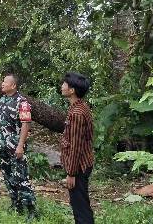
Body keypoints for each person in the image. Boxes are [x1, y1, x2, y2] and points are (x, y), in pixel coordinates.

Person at [0, 74, 39, 220]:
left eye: (5, 82)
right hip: (2, 145)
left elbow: (26, 124)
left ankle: (31, 209)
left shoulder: (22, 103)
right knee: (8, 176)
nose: (2, 84)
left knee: (20, 177)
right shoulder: (2, 100)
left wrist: (20, 146)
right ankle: (15, 204)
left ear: (13, 86)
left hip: (15, 147)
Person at [60, 72, 94, 224]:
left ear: (72, 90)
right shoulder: (79, 108)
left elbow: (75, 146)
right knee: (80, 204)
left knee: (80, 207)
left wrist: (71, 173)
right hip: (80, 165)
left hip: (79, 167)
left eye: (65, 85)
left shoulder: (77, 114)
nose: (62, 87)